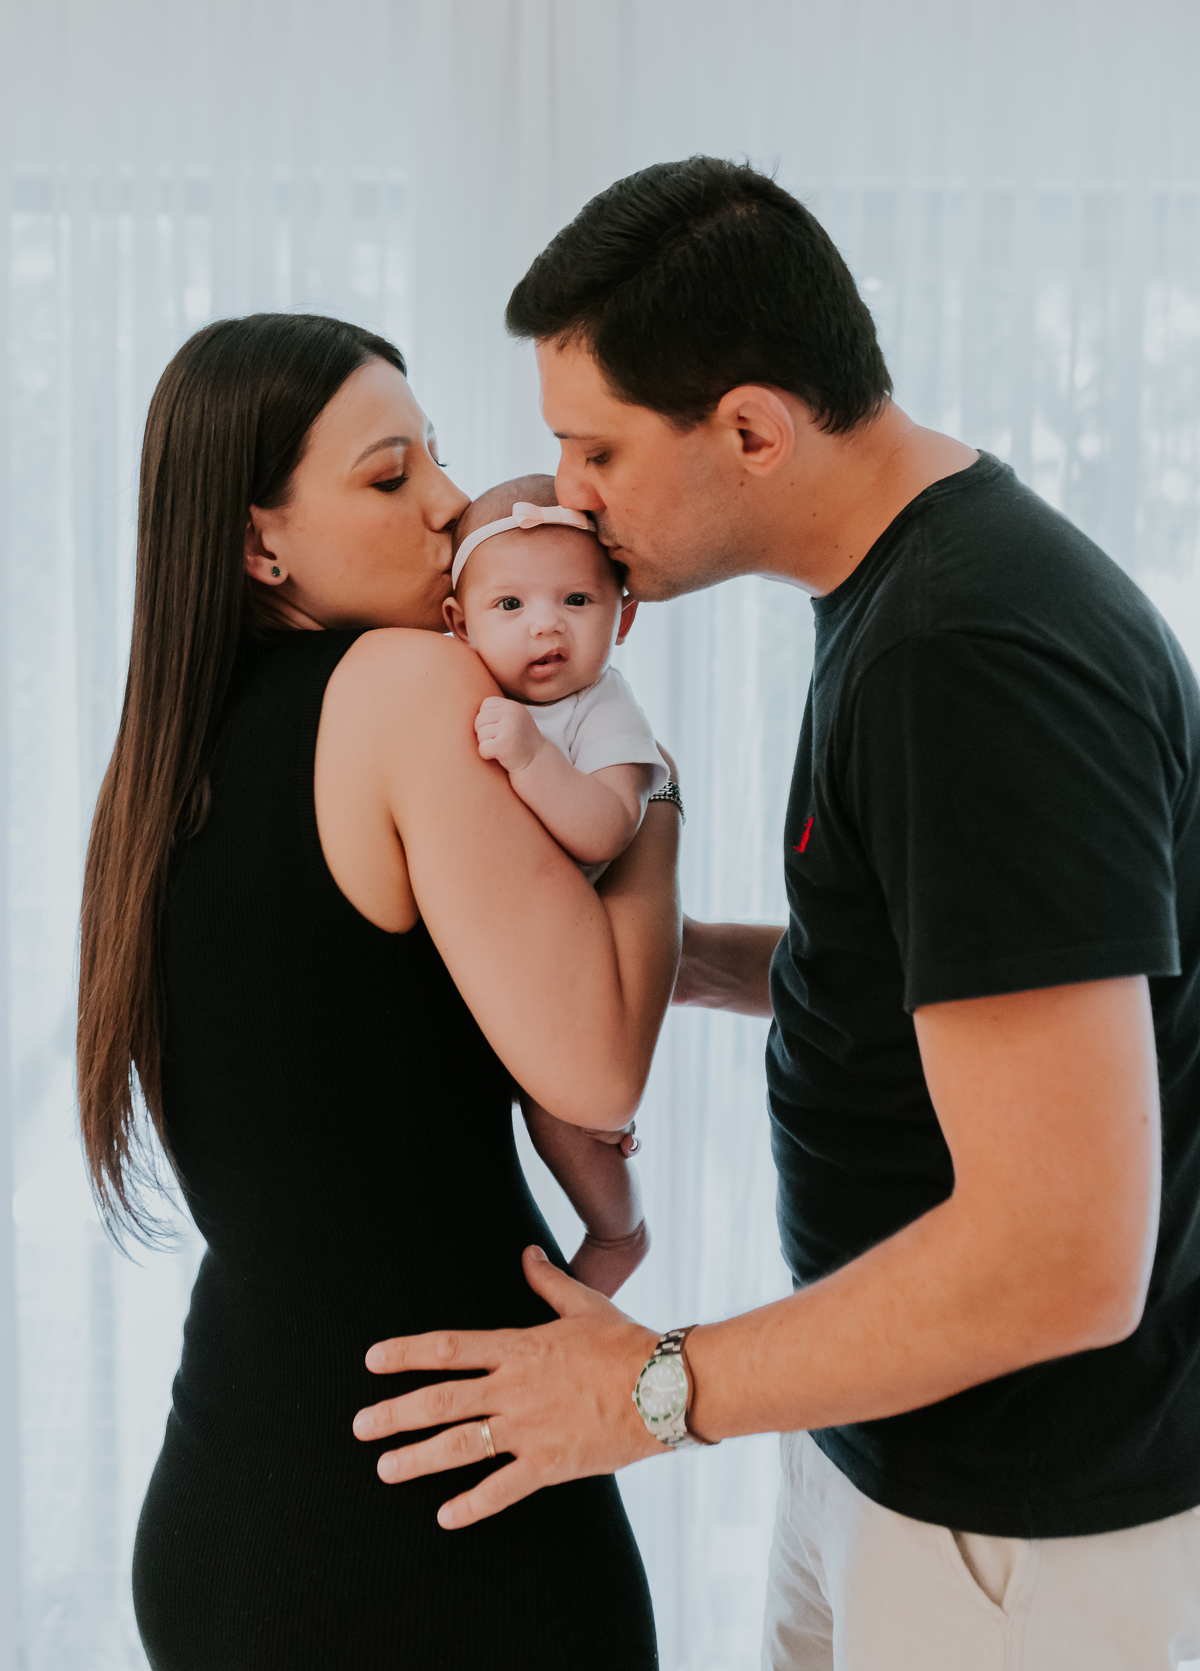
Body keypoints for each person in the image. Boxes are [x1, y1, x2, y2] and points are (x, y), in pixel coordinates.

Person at [350, 159, 1200, 1668]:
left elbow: (1065, 1251)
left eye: (595, 448)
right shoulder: (912, 589)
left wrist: (646, 1391)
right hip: (892, 1449)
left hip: (1023, 1525)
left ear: (751, 429)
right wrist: (671, 962)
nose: (566, 495)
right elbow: (942, 962)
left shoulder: (964, 651)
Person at [75, 313, 682, 1670]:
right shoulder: (405, 686)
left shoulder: (169, 757)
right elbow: (598, 1064)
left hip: (237, 1494)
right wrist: (656, 793)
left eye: (437, 458)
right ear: (261, 545)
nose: (453, 504)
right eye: (391, 473)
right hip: (434, 1521)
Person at [444, 471, 671, 1296]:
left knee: (564, 1114)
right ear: (459, 624)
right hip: (504, 945)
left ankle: (619, 1234)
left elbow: (608, 827)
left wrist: (534, 759)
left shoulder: (603, 708)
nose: (546, 626)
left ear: (624, 618)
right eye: (510, 605)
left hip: (572, 954)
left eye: (577, 601)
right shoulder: (459, 682)